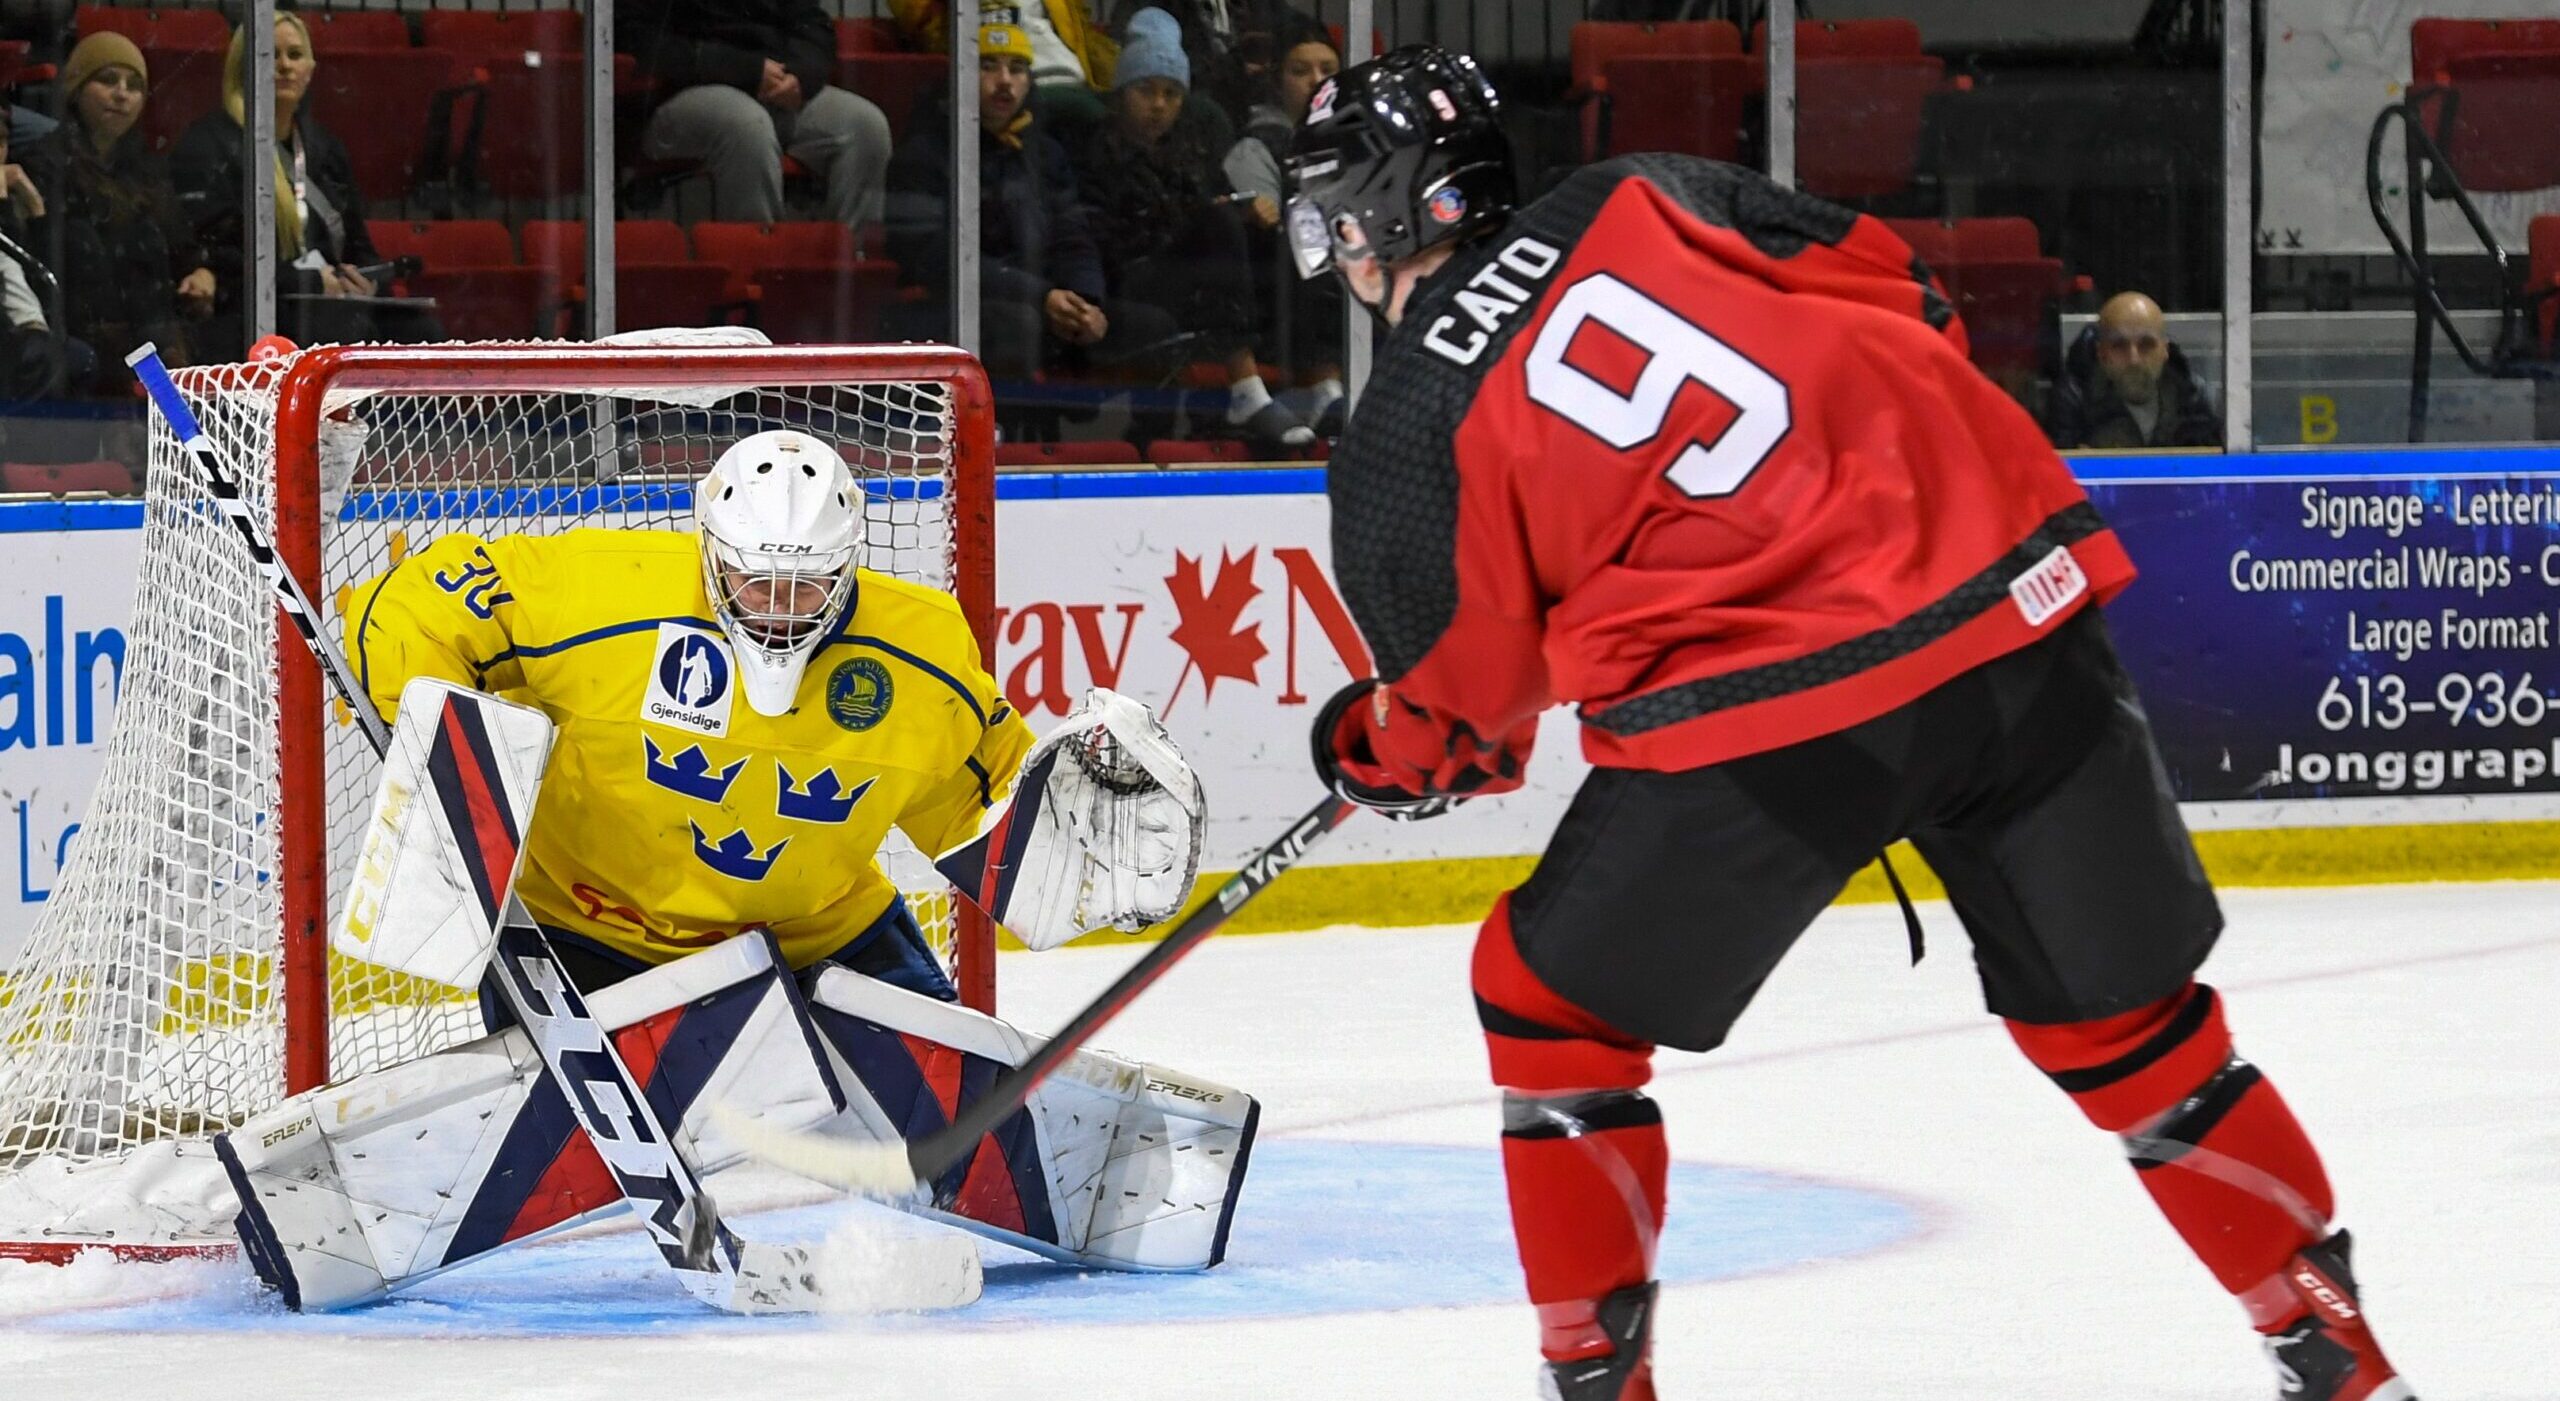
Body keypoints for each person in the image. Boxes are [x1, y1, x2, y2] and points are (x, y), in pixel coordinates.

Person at [1289, 48, 2413, 1401]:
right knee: (2132, 1032)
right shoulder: (1650, 188)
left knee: (1547, 1009)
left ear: (1395, 208)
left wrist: (1378, 747)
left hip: (1774, 706)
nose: (1332, 237)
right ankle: (2342, 1359)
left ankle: (1595, 1385)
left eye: (1339, 207)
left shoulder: (1408, 422)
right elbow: (1899, 285)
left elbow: (1468, 712)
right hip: (2012, 598)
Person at [885, 23, 1175, 439]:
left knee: (1155, 326)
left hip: (1042, 303)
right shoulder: (924, 154)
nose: (1005, 81)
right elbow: (932, 255)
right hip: (957, 311)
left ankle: (1151, 452)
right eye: (989, 66)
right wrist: (1041, 296)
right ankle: (997, 447)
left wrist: (1085, 299)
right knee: (1015, 323)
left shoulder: (1044, 152)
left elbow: (1073, 234)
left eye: (1018, 68)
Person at [1074, 8, 1311, 448]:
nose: (1159, 105)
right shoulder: (1096, 150)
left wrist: (1247, 214)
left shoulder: (1191, 147)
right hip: (1127, 283)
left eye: (1171, 94)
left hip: (1191, 283)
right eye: (1147, 91)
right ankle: (1246, 389)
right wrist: (1199, 222)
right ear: (1124, 91)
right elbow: (1103, 240)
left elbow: (1216, 207)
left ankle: (1317, 380)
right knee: (1216, 224)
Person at [170, 16, 437, 361]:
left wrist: (368, 280)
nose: (283, 66)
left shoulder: (325, 148)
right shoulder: (207, 145)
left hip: (329, 306)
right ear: (243, 68)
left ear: (310, 69)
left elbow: (359, 245)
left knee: (422, 333)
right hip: (252, 311)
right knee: (337, 331)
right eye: (270, 55)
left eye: (295, 55)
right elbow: (219, 261)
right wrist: (306, 282)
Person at [20, 33, 213, 392]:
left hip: (151, 349)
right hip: (85, 353)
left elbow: (181, 245)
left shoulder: (148, 171)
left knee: (168, 435)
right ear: (76, 89)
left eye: (134, 85)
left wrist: (200, 272)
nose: (121, 94)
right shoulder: (46, 164)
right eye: (107, 80)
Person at [621, 0, 896, 230]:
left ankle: (848, 271)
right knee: (746, 124)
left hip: (776, 86)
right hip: (680, 93)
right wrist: (746, 70)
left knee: (864, 125)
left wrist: (802, 74)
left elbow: (814, 27)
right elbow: (637, 39)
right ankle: (756, 272)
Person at [1223, 17, 1342, 432]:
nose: (1316, 80)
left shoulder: (1359, 146)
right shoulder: (1256, 148)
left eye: (1328, 70)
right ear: (1278, 81)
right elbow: (1264, 224)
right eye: (1301, 71)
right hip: (1276, 302)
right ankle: (1322, 385)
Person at [889, 0, 1119, 140]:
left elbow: (1083, 36)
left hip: (1077, 77)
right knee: (1091, 114)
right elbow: (936, 33)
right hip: (1019, 80)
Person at [2048, 290, 2224, 450]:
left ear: (2165, 351)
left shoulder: (2191, 396)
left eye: (2146, 345)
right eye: (2119, 346)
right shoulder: (2074, 400)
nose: (2134, 359)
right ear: (2101, 353)